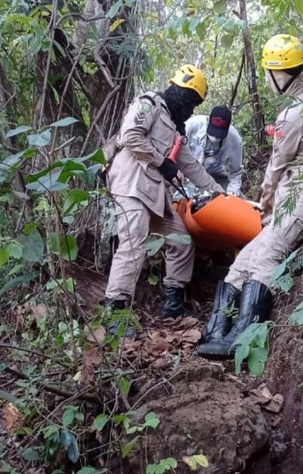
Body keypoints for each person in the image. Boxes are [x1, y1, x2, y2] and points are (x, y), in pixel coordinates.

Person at [196, 34, 303, 359]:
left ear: (279, 74)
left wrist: (265, 204)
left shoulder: (293, 116)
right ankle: (217, 330)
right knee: (244, 259)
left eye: (268, 73)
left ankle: (242, 338)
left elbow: (275, 168)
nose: (266, 79)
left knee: (266, 256)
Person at [102, 65, 225, 335]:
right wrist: (163, 164)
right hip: (131, 185)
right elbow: (131, 136)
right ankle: (116, 311)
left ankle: (173, 302)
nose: (192, 109)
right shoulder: (149, 104)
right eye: (191, 101)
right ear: (180, 91)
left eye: (196, 104)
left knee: (181, 239)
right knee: (133, 244)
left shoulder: (173, 126)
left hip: (154, 194)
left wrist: (220, 194)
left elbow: (191, 166)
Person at [183, 106, 244, 196]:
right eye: (214, 132)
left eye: (219, 134)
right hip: (187, 172)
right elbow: (176, 149)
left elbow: (236, 172)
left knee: (237, 202)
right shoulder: (191, 126)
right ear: (208, 121)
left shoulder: (234, 139)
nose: (215, 138)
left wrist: (232, 193)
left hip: (215, 175)